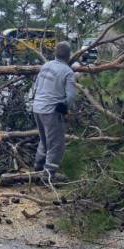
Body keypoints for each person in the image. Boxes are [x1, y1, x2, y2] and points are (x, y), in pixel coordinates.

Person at [31, 41, 76, 176]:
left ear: (55, 53)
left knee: (44, 139)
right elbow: (71, 97)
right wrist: (64, 109)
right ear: (69, 56)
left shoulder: (46, 65)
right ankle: (49, 175)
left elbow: (36, 86)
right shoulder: (68, 72)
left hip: (37, 107)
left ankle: (38, 165)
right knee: (56, 144)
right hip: (51, 111)